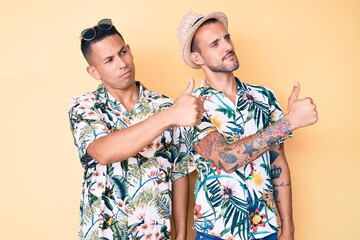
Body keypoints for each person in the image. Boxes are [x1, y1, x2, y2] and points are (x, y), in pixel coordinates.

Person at [176, 11, 318, 240]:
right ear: (197, 58)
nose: (227, 46)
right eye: (215, 44)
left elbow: (277, 161)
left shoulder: (264, 97)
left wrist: (288, 227)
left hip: (266, 229)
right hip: (216, 232)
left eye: (227, 38)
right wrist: (290, 122)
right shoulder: (191, 107)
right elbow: (226, 159)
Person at [68, 18, 206, 240]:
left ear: (130, 51)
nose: (122, 63)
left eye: (123, 52)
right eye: (109, 60)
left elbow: (179, 171)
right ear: (94, 71)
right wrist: (170, 116)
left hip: (155, 234)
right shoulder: (84, 106)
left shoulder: (164, 105)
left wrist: (181, 234)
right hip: (103, 233)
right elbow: (104, 151)